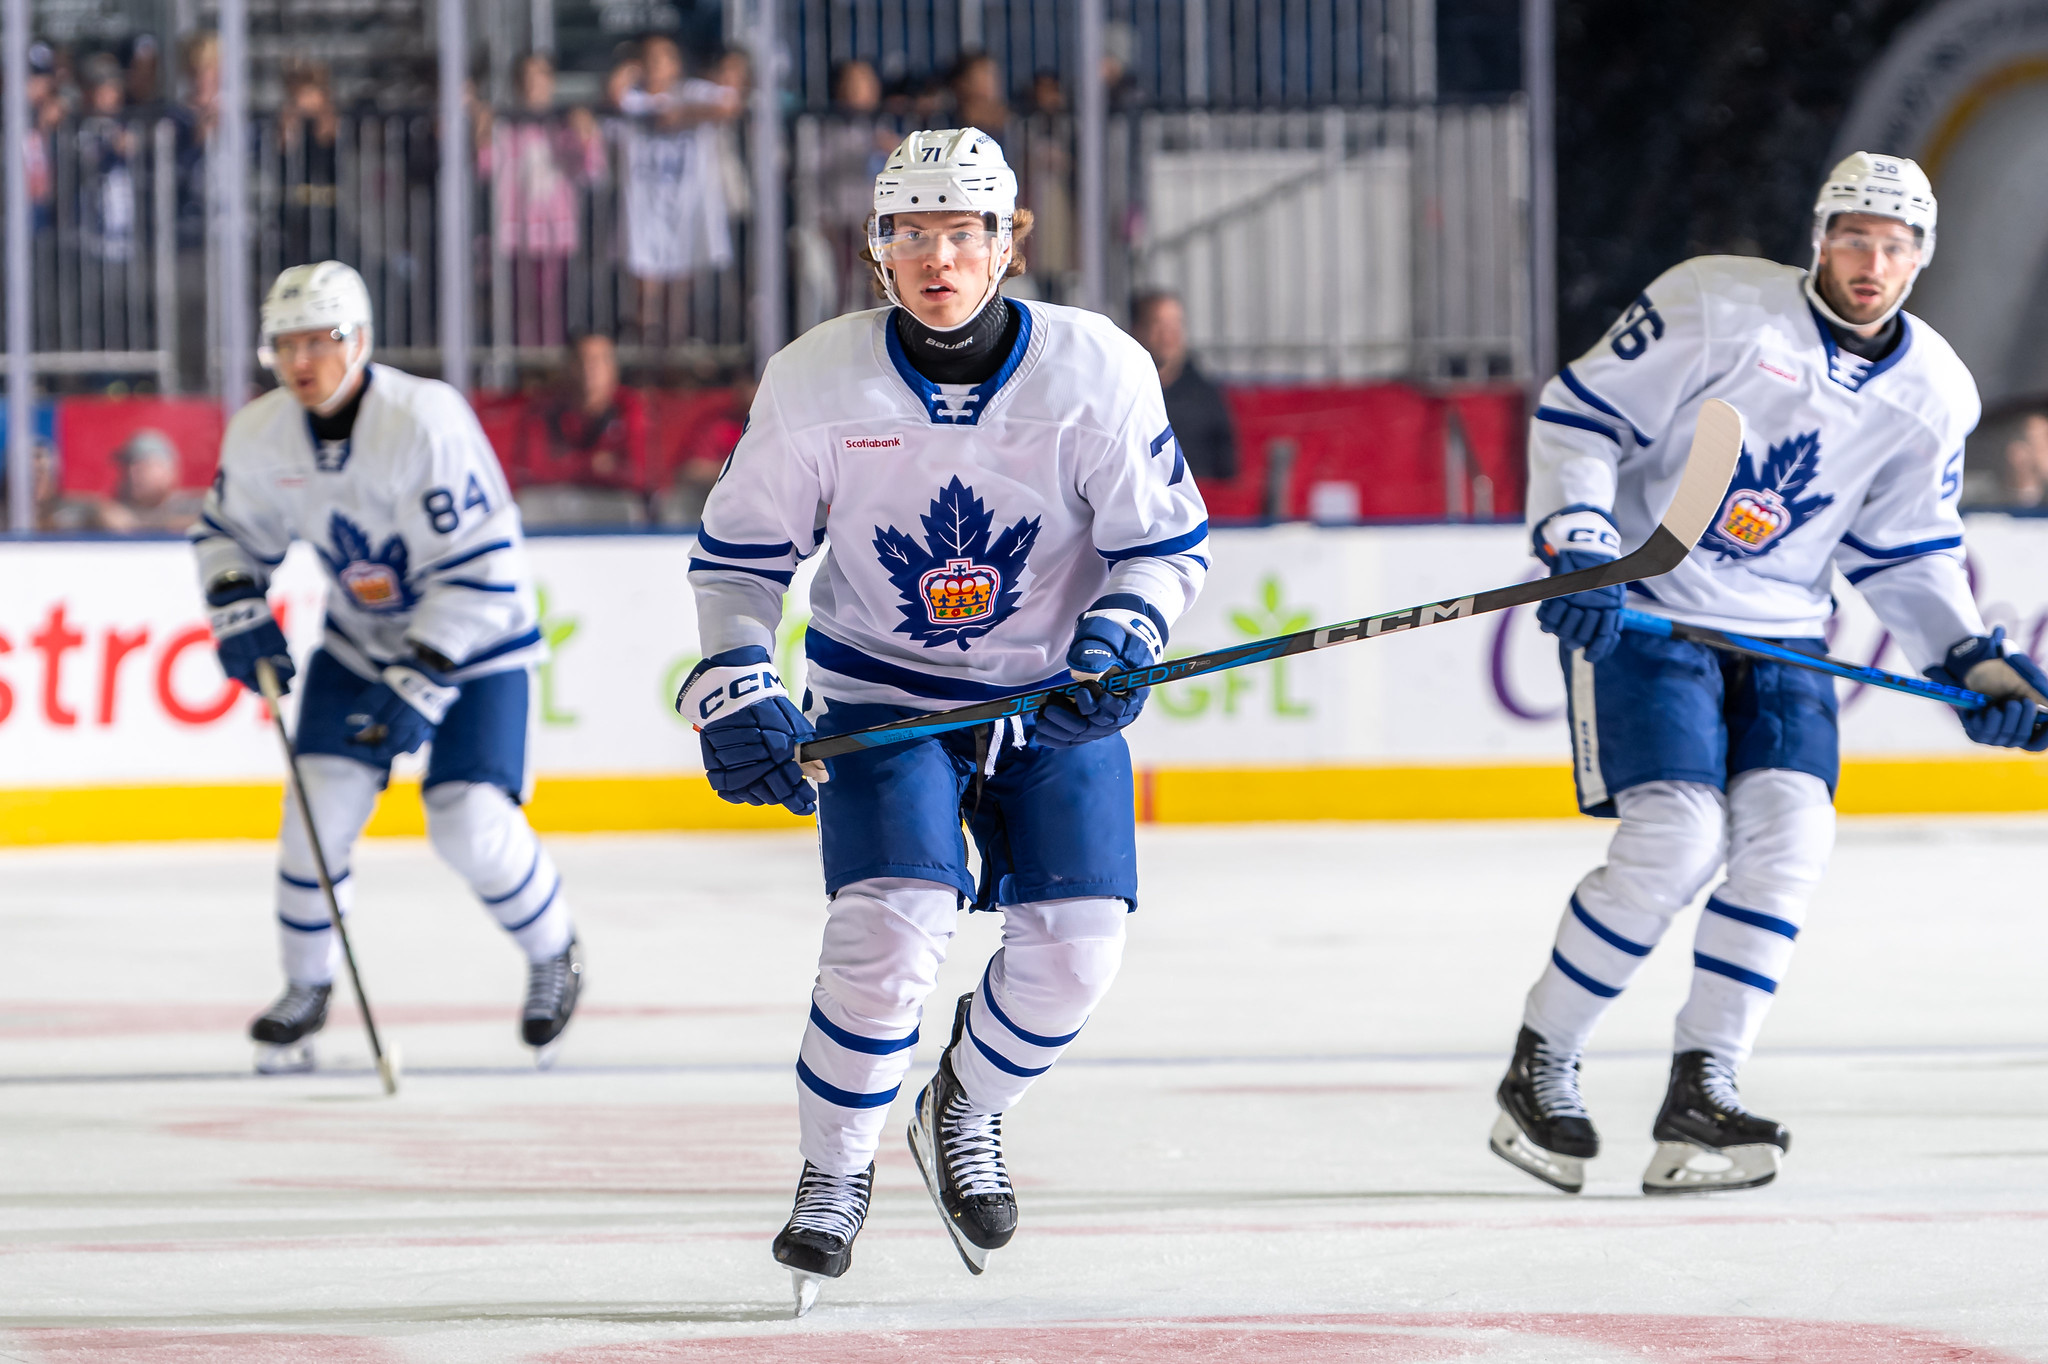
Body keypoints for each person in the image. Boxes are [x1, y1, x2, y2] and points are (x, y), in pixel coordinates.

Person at [680, 129, 1208, 1312]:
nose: (936, 255)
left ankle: (962, 1100)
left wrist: (1124, 629)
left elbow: (1162, 545)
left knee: (1077, 952)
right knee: (888, 931)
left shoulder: (1098, 373)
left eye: (961, 230)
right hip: (882, 694)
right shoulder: (816, 379)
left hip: (1046, 698)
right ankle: (833, 1172)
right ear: (876, 250)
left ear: (1007, 240)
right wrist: (735, 680)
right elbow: (739, 563)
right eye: (909, 232)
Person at [1493, 153, 2047, 1199]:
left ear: (1920, 258)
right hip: (1649, 618)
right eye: (1850, 236)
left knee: (1789, 838)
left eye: (1891, 246)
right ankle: (1541, 1063)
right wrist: (1577, 545)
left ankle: (1703, 1081)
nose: (1868, 262)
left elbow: (1906, 554)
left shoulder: (1932, 390)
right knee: (1676, 837)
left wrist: (1970, 656)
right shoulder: (1714, 305)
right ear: (1816, 236)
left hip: (1787, 637)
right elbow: (1578, 417)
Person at [192, 261, 583, 1073]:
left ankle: (555, 953)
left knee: (467, 817)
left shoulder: (426, 419)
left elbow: (485, 571)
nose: (303, 361)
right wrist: (237, 607)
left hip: (478, 645)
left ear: (360, 340)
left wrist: (424, 677)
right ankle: (306, 988)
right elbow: (229, 534)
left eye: (321, 340)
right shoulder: (261, 432)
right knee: (314, 817)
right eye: (285, 344)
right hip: (360, 639)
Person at [477, 53, 606, 348]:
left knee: (553, 306)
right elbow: (485, 167)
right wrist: (481, 132)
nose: (533, 85)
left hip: (554, 231)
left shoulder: (564, 124)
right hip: (515, 230)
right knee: (519, 306)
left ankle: (549, 364)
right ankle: (524, 367)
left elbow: (591, 169)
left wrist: (586, 133)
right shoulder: (506, 125)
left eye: (540, 76)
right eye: (526, 78)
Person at [521, 331, 649, 494]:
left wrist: (566, 464)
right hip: (558, 509)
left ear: (613, 368)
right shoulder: (546, 408)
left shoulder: (631, 406)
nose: (589, 370)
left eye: (598, 361)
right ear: (567, 367)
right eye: (581, 360)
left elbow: (639, 475)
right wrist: (591, 465)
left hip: (614, 509)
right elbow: (533, 472)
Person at [1130, 291, 1238, 484]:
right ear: (1137, 329)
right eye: (1158, 324)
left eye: (1176, 324)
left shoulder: (1205, 394)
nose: (1169, 334)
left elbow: (1227, 468)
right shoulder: (1123, 393)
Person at [93, 429, 203, 532]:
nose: (132, 476)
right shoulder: (115, 511)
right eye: (126, 468)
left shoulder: (194, 506)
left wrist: (137, 526)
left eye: (141, 468)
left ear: (167, 472)